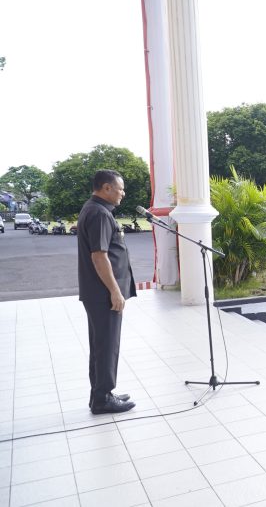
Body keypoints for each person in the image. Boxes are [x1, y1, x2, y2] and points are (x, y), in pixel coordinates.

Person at [78, 170, 137, 414]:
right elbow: (100, 256)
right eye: (120, 188)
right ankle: (103, 399)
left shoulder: (93, 209)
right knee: (107, 345)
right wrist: (114, 290)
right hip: (103, 294)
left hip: (97, 292)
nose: (123, 193)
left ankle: (100, 394)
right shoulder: (100, 214)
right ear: (106, 188)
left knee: (101, 345)